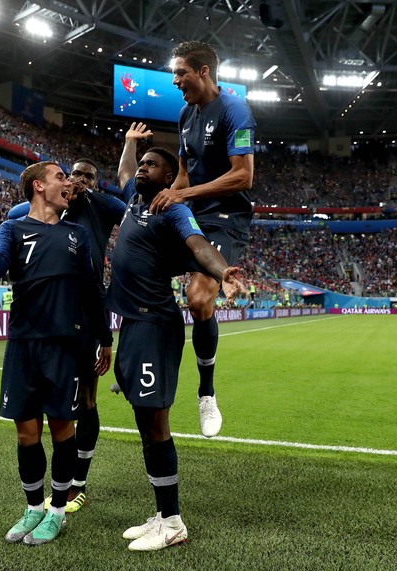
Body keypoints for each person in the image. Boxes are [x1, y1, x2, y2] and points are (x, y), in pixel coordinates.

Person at [0, 161, 113, 546]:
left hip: (64, 346)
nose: (68, 183)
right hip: (23, 345)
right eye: (60, 177)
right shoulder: (12, 229)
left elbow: (90, 291)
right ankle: (33, 508)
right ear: (38, 187)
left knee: (63, 430)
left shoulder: (77, 235)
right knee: (26, 432)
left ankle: (58, 512)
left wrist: (105, 339)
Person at [108, 146, 245, 551]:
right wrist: (132, 145)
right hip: (131, 324)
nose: (143, 169)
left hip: (155, 323)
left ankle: (173, 523)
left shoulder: (173, 210)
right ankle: (161, 513)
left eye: (153, 165)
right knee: (142, 423)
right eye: (143, 164)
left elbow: (199, 245)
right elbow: (124, 173)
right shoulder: (134, 198)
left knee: (156, 425)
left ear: (169, 179)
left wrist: (224, 270)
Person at [146, 41, 257, 437]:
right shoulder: (184, 114)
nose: (175, 81)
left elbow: (244, 176)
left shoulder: (235, 110)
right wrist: (165, 202)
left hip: (226, 218)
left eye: (181, 73)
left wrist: (183, 195)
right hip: (193, 211)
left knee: (197, 297)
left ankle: (206, 395)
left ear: (204, 71)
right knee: (141, 266)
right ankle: (146, 359)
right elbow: (184, 174)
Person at [7, 157, 128, 513]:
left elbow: (129, 210)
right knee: (49, 406)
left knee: (86, 399)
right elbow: (19, 211)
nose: (77, 180)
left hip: (86, 314)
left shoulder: (100, 207)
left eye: (87, 176)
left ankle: (79, 482)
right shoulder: (54, 209)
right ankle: (54, 490)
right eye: (72, 174)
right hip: (50, 315)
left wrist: (90, 194)